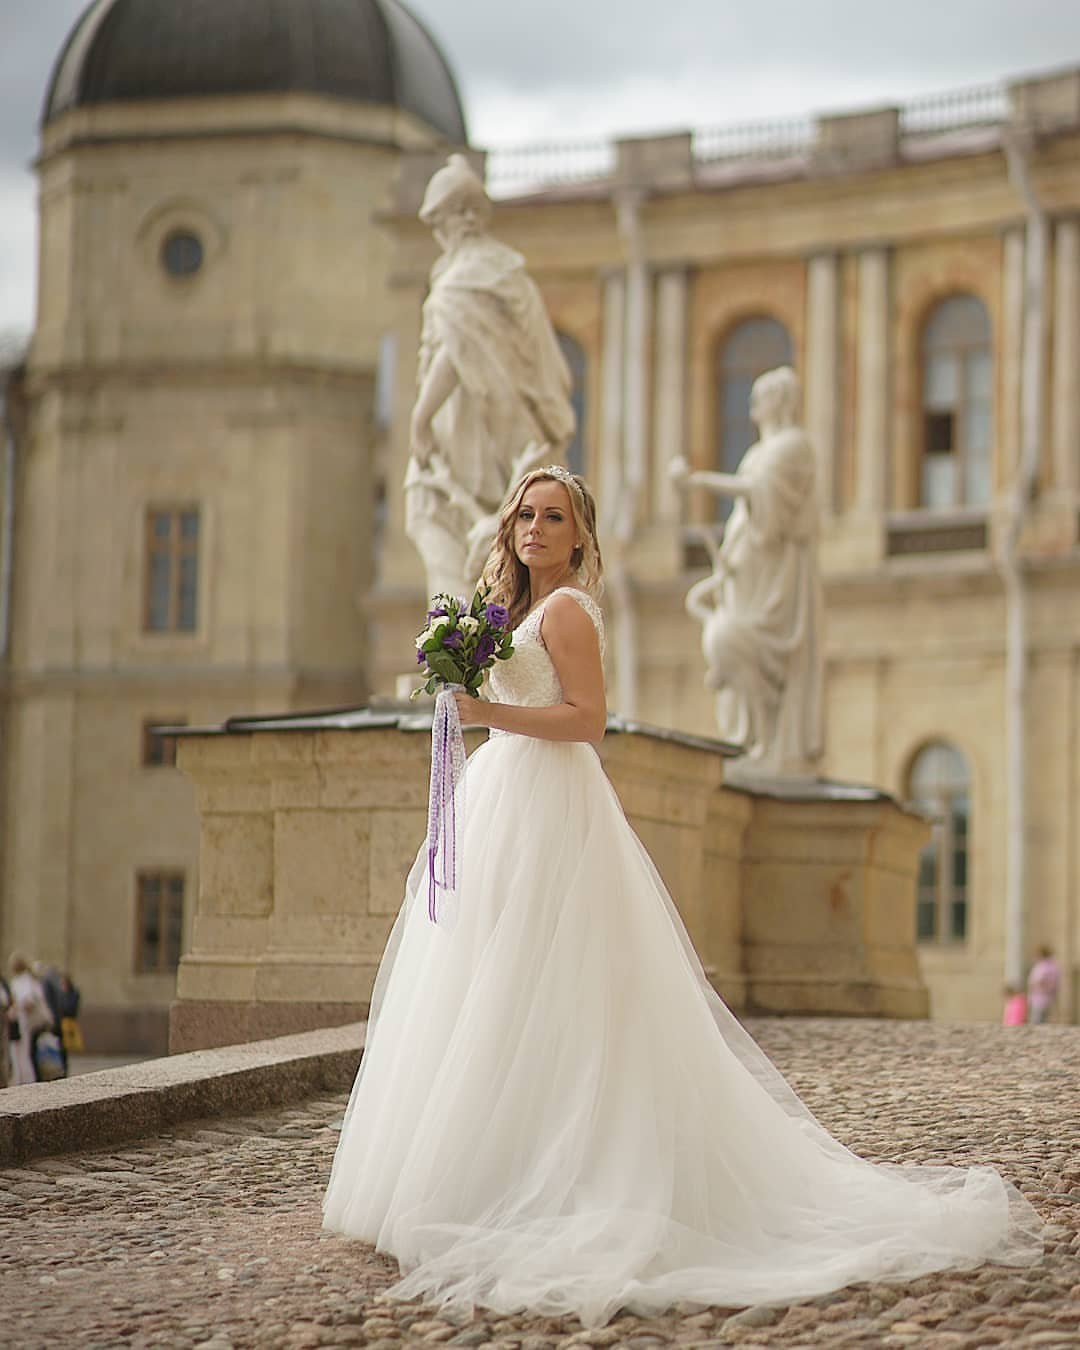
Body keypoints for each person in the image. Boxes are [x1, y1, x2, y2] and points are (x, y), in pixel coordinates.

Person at [323, 467, 1042, 1328]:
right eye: (525, 514)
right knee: (487, 977)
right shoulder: (509, 614)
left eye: (554, 518)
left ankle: (541, 1171)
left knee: (542, 981)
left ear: (581, 538)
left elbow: (588, 721)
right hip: (504, 794)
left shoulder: (568, 614)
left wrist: (482, 708)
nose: (536, 529)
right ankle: (488, 1162)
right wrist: (472, 698)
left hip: (549, 799)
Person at [404, 154, 575, 600]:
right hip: (504, 429)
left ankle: (455, 652)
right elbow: (555, 370)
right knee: (475, 542)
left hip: (470, 429)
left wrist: (420, 419)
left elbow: (455, 353)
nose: (440, 234)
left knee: (435, 520)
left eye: (440, 221)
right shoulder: (506, 272)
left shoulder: (469, 274)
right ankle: (462, 647)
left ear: (462, 217)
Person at [672, 366, 824, 778]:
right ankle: (749, 738)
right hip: (745, 564)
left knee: (749, 645)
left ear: (779, 400)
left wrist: (699, 482)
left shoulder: (793, 445)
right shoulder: (759, 452)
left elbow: (765, 498)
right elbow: (750, 504)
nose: (753, 409)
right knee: (731, 642)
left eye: (761, 398)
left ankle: (769, 744)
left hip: (773, 567)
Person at [6, 954, 51, 1086]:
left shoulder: (22, 981)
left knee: (20, 1053)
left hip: (21, 1021)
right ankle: (22, 1079)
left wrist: (15, 1009)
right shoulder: (27, 980)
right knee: (21, 1052)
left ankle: (24, 1080)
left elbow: (28, 1002)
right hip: (22, 1021)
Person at [1027, 946, 1062, 1025]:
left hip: (1041, 996)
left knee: (1038, 1020)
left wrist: (1036, 985)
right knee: (1043, 1018)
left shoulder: (1045, 966)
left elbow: (1043, 980)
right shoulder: (1052, 965)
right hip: (1044, 996)